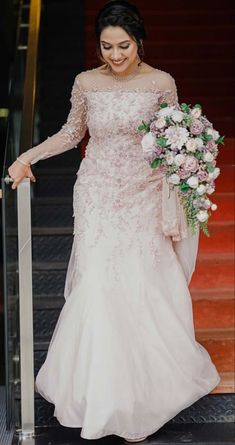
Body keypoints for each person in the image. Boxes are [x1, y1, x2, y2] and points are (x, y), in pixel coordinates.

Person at [8, 0, 221, 442]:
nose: (116, 55)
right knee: (101, 287)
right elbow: (72, 134)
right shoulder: (86, 82)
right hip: (98, 193)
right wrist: (26, 155)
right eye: (107, 47)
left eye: (123, 45)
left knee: (142, 283)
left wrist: (186, 178)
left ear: (138, 41)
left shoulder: (162, 82)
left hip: (143, 193)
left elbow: (174, 139)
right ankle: (102, 396)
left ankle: (141, 401)